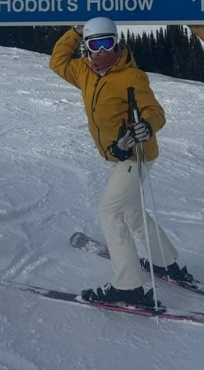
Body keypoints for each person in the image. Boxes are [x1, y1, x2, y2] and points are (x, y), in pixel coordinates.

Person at [49, 16, 194, 306]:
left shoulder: (131, 76)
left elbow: (155, 110)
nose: (102, 51)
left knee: (110, 213)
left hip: (135, 155)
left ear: (117, 43)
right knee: (131, 213)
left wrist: (147, 126)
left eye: (108, 43)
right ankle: (166, 263)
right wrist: (75, 32)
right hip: (117, 155)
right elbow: (57, 62)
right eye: (95, 44)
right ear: (87, 47)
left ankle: (127, 287)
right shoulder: (84, 71)